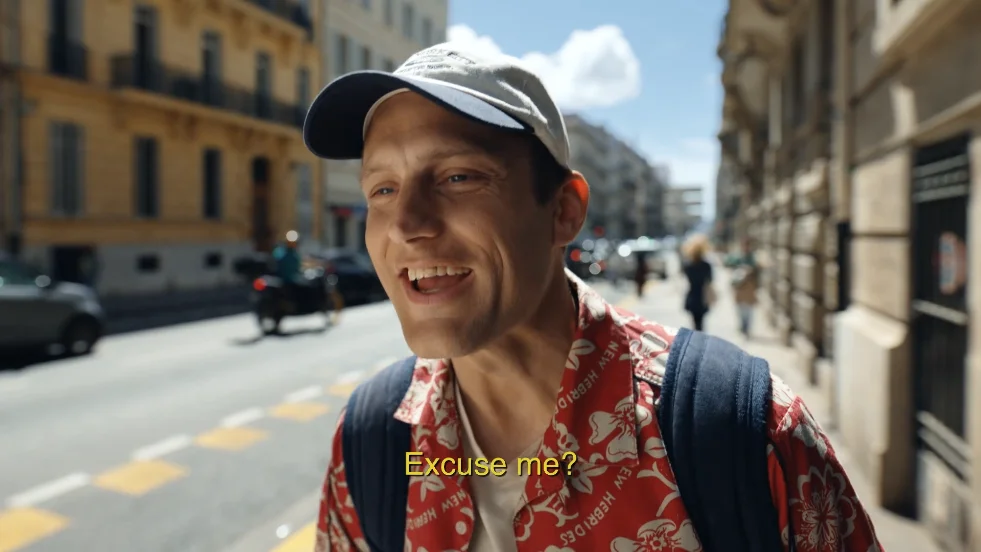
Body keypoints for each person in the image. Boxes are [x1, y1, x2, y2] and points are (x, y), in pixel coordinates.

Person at [303, 43, 882, 551]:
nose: (406, 224)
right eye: (383, 189)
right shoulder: (371, 445)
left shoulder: (746, 433)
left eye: (458, 177)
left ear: (564, 211)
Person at [682, 234, 713, 331]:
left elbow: (685, 277)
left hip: (692, 295)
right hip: (703, 296)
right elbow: (710, 279)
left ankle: (696, 339)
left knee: (695, 322)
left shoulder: (688, 265)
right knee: (701, 322)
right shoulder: (706, 265)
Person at [731, 238, 759, 338]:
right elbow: (730, 265)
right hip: (740, 287)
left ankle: (747, 327)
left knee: (749, 310)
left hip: (749, 287)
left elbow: (757, 271)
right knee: (740, 309)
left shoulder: (753, 257)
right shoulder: (738, 257)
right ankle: (742, 325)